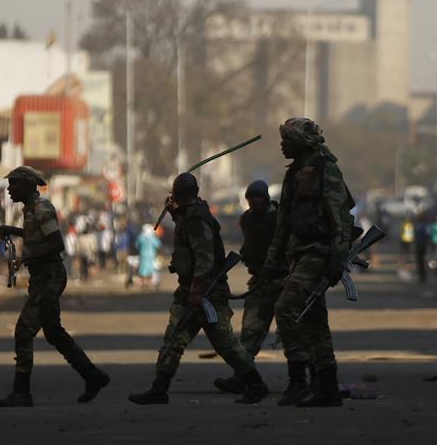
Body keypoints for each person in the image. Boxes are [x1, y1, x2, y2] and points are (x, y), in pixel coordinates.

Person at [128, 173, 269, 405]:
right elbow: (185, 226)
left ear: (180, 194)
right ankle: (159, 389)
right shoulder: (190, 214)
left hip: (206, 293)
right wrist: (174, 212)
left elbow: (204, 258)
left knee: (225, 343)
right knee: (174, 340)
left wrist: (196, 290)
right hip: (190, 291)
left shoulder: (197, 219)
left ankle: (256, 384)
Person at [0, 166, 110, 407]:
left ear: (27, 186)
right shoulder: (31, 210)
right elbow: (37, 235)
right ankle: (93, 376)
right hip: (44, 277)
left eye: (14, 184)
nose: (9, 189)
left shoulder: (41, 208)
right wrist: (13, 231)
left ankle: (21, 392)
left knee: (24, 331)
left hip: (49, 278)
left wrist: (27, 258)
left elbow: (56, 243)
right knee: (54, 333)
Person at [263, 118, 356, 407]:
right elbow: (283, 224)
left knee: (286, 308)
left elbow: (339, 219)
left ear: (301, 143)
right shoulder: (295, 173)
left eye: (287, 140)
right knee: (314, 322)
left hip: (318, 253)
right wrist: (270, 262)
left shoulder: (325, 170)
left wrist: (336, 259)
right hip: (299, 254)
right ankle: (326, 386)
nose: (282, 145)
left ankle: (299, 380)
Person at [214, 179, 288, 395]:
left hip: (284, 282)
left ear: (266, 198)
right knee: (250, 332)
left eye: (258, 197)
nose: (255, 201)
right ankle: (242, 376)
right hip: (260, 283)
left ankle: (304, 379)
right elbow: (249, 244)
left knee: (295, 333)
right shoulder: (246, 219)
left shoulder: (280, 218)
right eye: (251, 198)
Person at [413, 214, 431, 283]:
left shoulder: (424, 226)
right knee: (419, 261)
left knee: (422, 261)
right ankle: (421, 276)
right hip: (419, 245)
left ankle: (423, 277)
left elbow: (428, 236)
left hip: (422, 246)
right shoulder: (419, 226)